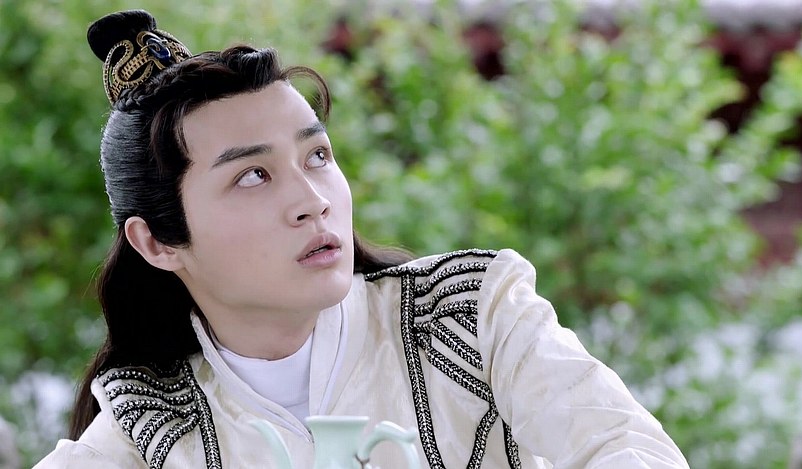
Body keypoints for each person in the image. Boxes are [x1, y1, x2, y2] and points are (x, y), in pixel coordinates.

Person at [35, 9, 690, 469]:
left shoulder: (472, 317)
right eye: (252, 175)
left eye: (317, 156)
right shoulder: (151, 425)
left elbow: (626, 448)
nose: (311, 199)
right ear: (157, 243)